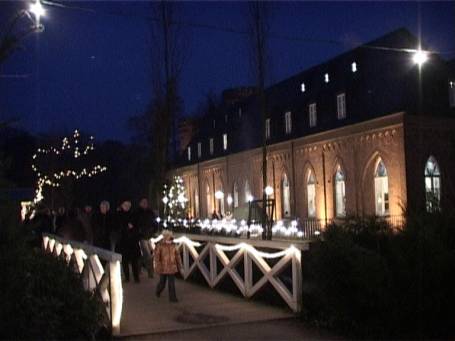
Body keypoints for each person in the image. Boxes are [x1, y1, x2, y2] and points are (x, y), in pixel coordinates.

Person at [154, 230, 182, 302]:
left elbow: (177, 256)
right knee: (162, 283)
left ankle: (173, 298)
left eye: (170, 236)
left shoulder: (174, 245)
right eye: (168, 236)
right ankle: (158, 291)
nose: (169, 237)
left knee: (171, 283)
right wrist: (158, 266)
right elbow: (157, 257)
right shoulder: (160, 245)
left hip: (172, 267)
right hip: (163, 267)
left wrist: (179, 265)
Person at [117, 200, 141, 283]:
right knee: (125, 261)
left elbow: (137, 226)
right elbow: (118, 227)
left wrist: (133, 228)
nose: (127, 207)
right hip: (123, 241)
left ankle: (136, 277)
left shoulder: (133, 214)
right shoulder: (119, 215)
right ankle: (127, 277)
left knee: (134, 260)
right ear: (122, 205)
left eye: (128, 205)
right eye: (125, 205)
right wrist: (126, 227)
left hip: (132, 241)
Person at [134, 198, 157, 278]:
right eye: (143, 202)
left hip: (149, 236)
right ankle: (151, 273)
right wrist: (139, 231)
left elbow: (154, 222)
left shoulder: (150, 212)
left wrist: (154, 230)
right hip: (142, 237)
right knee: (147, 254)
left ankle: (138, 269)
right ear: (140, 203)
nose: (145, 204)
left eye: (146, 202)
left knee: (143, 255)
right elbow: (135, 224)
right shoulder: (137, 212)